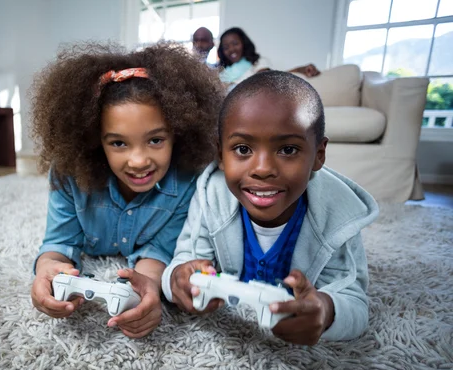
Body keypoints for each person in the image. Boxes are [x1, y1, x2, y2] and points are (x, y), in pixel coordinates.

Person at [161, 71, 379, 345]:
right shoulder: (211, 195)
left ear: (319, 155)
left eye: (287, 150)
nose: (262, 169)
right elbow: (183, 263)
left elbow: (355, 303)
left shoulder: (338, 214)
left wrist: (325, 311)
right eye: (242, 149)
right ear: (220, 154)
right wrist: (176, 282)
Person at [30, 43, 224, 339]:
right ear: (95, 140)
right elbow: (59, 242)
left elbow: (159, 251)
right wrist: (48, 271)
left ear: (178, 133)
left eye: (156, 140)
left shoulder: (189, 182)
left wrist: (146, 287)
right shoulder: (70, 172)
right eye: (119, 143)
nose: (138, 161)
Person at [218, 27, 320, 91]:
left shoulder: (258, 63)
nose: (231, 49)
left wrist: (299, 70)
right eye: (226, 47)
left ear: (244, 43)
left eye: (235, 44)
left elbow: (270, 80)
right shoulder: (222, 72)